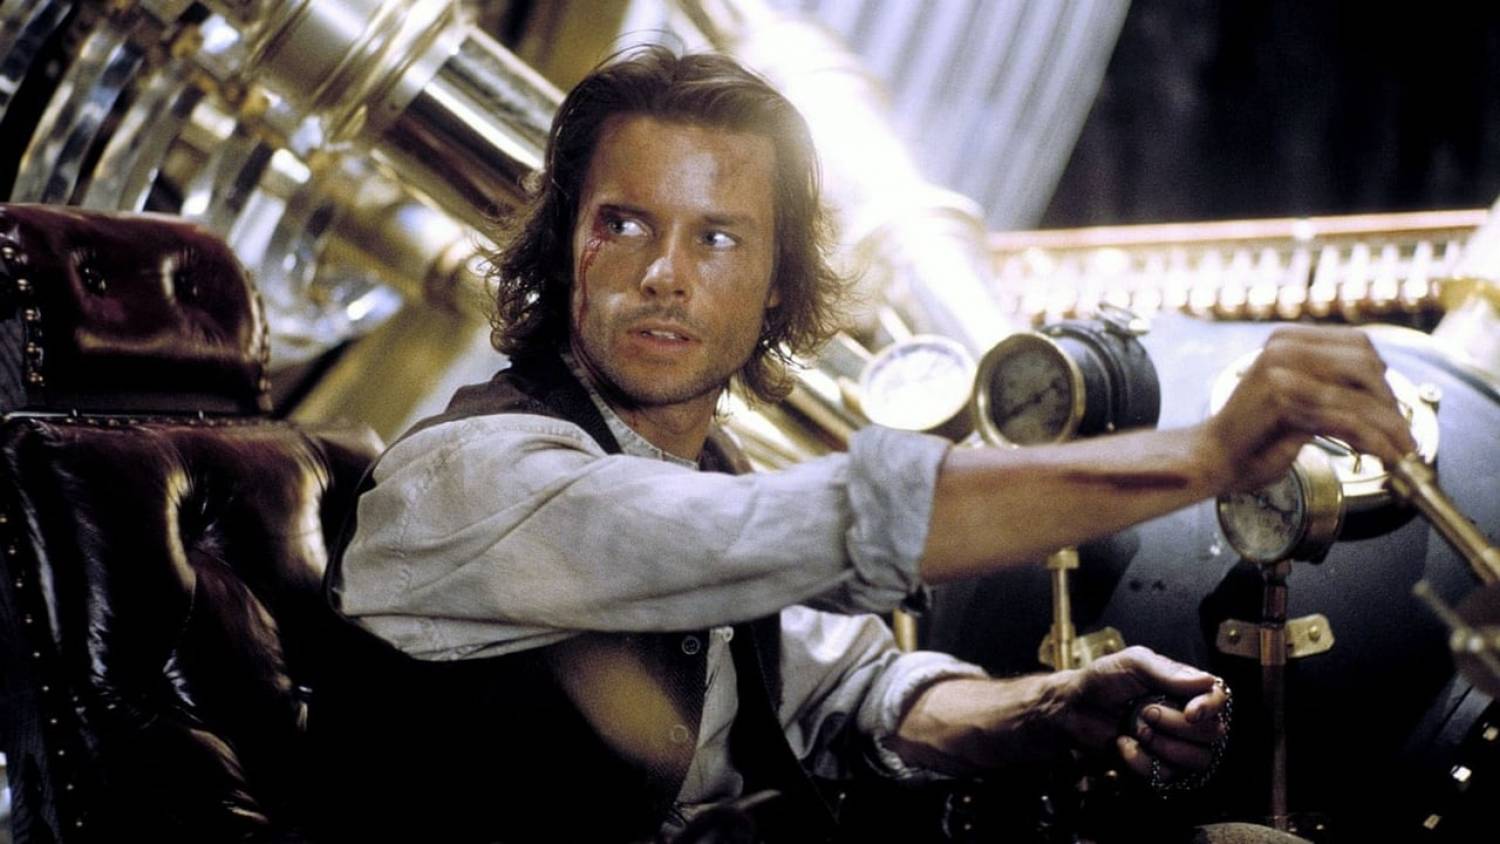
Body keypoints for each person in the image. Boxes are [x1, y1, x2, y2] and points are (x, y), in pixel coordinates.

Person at [327, 46, 1414, 841]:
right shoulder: (476, 476)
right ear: (568, 247)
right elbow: (806, 525)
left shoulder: (695, 471)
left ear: (777, 288)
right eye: (624, 223)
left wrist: (1052, 708)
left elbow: (853, 691)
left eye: (718, 237)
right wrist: (1207, 457)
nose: (664, 274)